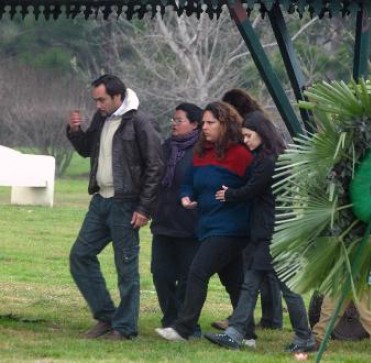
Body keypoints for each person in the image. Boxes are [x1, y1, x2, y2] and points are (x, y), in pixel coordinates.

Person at [204, 111, 316, 352]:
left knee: (275, 286)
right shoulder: (273, 157)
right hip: (273, 230)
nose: (245, 140)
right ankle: (237, 332)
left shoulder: (268, 161)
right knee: (255, 283)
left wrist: (228, 194)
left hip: (272, 232)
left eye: (248, 136)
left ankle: (303, 337)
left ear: (261, 134)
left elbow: (253, 189)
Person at [67, 74, 164, 340]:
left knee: (126, 268)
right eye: (95, 100)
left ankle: (125, 328)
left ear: (117, 96)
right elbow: (88, 150)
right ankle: (107, 317)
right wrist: (75, 132)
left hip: (127, 204)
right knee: (80, 256)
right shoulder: (101, 118)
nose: (97, 105)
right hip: (100, 202)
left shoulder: (141, 122)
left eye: (102, 99)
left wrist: (144, 208)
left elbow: (156, 166)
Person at [155, 101, 254, 341]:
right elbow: (189, 181)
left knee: (197, 272)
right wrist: (186, 195)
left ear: (225, 125)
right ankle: (248, 335)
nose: (205, 127)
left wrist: (233, 196)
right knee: (234, 282)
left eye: (211, 123)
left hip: (231, 229)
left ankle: (183, 328)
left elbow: (254, 188)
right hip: (207, 226)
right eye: (204, 123)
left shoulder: (241, 154)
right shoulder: (201, 152)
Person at [209, 88, 283, 331]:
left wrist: (230, 194)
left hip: (263, 217)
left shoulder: (260, 147)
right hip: (264, 215)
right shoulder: (263, 135)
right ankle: (252, 321)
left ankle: (251, 321)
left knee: (259, 270)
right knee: (260, 273)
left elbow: (254, 184)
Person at [150, 103, 202, 333]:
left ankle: (186, 322)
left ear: (194, 124)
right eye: (173, 119)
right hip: (163, 222)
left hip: (190, 226)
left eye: (179, 120)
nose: (174, 124)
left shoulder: (202, 151)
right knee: (160, 274)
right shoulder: (166, 148)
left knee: (188, 278)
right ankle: (171, 318)